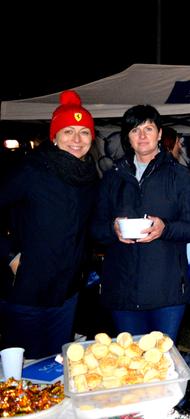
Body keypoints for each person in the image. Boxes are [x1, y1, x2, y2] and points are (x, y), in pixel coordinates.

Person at [0, 90, 98, 358]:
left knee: (57, 370)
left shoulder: (89, 176)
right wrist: (9, 255)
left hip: (66, 294)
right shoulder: (30, 170)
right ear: (54, 136)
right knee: (23, 373)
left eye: (84, 132)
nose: (77, 140)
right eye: (68, 131)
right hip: (27, 291)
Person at [91, 105, 190, 341]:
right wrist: (112, 229)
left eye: (148, 128)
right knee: (131, 366)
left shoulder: (181, 177)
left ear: (160, 134)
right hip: (122, 292)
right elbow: (95, 229)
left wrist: (166, 228)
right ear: (127, 137)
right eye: (135, 130)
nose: (142, 136)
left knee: (162, 362)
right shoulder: (112, 178)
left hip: (167, 291)